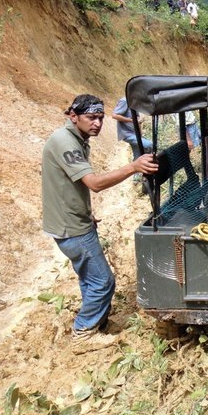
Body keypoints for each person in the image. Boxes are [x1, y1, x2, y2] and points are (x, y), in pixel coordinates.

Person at [42, 95, 158, 351]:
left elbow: (68, 185)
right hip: (71, 227)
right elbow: (93, 184)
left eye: (100, 118)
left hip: (74, 219)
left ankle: (98, 322)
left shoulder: (76, 139)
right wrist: (133, 167)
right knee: (103, 281)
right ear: (73, 116)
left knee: (89, 278)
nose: (96, 124)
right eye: (91, 118)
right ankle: (83, 333)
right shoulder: (65, 143)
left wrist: (85, 211)